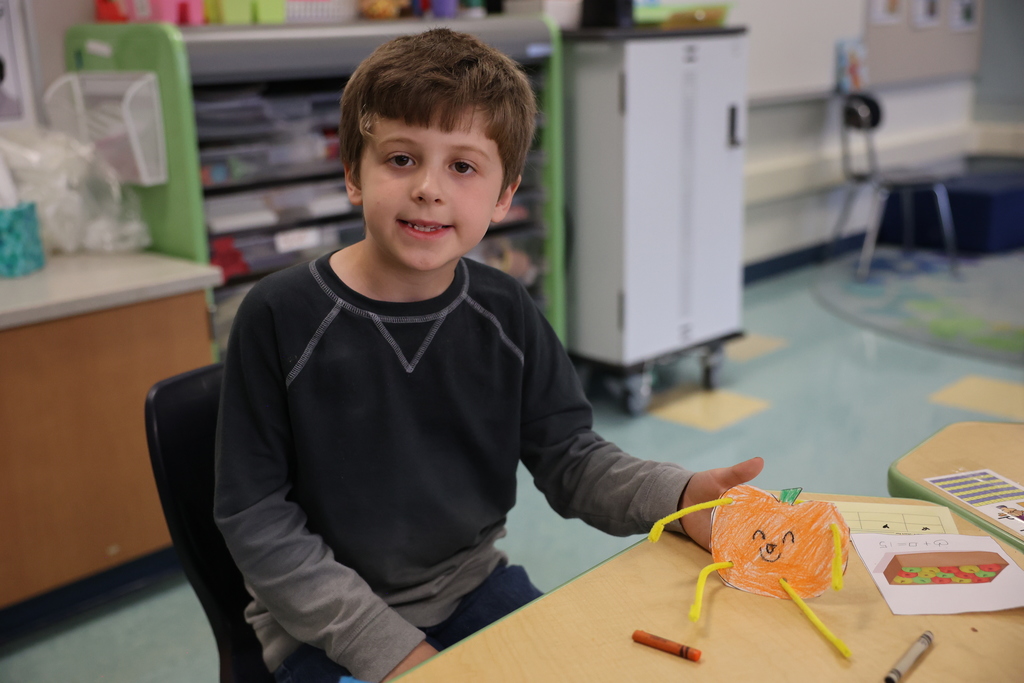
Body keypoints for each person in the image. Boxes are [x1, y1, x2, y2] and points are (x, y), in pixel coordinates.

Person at [214, 27, 763, 683]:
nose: (429, 188)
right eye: (400, 159)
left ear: (505, 196)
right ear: (353, 172)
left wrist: (678, 496)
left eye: (463, 166)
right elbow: (256, 518)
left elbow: (572, 459)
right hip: (319, 626)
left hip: (471, 590)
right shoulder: (278, 317)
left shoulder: (506, 310)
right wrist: (389, 649)